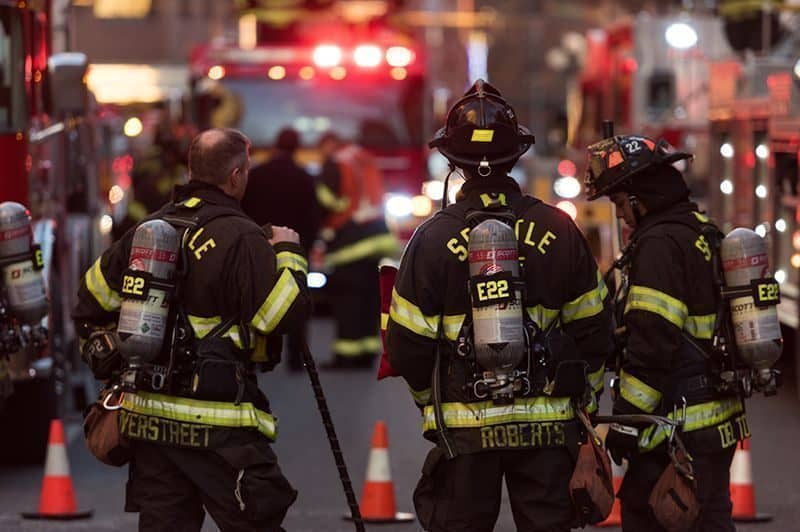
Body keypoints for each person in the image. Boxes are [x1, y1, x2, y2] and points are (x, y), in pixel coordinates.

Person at [385, 80, 613, 531]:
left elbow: (406, 345)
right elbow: (595, 330)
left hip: (463, 433)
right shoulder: (560, 228)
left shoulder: (430, 239)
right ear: (516, 156)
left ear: (454, 162)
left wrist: (433, 404)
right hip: (548, 431)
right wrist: (581, 404)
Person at [73, 128, 311, 532]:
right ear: (236, 175)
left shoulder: (149, 230)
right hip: (218, 428)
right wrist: (289, 255)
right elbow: (278, 317)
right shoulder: (243, 237)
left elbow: (91, 297)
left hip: (149, 424)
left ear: (191, 169)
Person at [584, 133, 749, 531]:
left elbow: (653, 342)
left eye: (622, 204)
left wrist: (627, 423)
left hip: (676, 427)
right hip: (717, 420)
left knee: (650, 516)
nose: (621, 215)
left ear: (643, 197)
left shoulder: (659, 244)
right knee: (708, 517)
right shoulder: (702, 231)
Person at [316, 131, 398, 369]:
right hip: (377, 236)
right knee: (368, 299)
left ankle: (345, 356)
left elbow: (326, 199)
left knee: (347, 301)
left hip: (350, 240)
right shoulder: (363, 157)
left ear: (329, 143)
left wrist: (322, 222)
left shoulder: (336, 162)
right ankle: (367, 353)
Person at [242, 127, 321, 370]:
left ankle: (258, 354)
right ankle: (296, 358)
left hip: (260, 245)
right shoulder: (304, 177)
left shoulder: (257, 174)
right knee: (295, 297)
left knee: (259, 300)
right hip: (295, 247)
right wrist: (307, 242)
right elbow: (313, 216)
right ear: (297, 147)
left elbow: (244, 209)